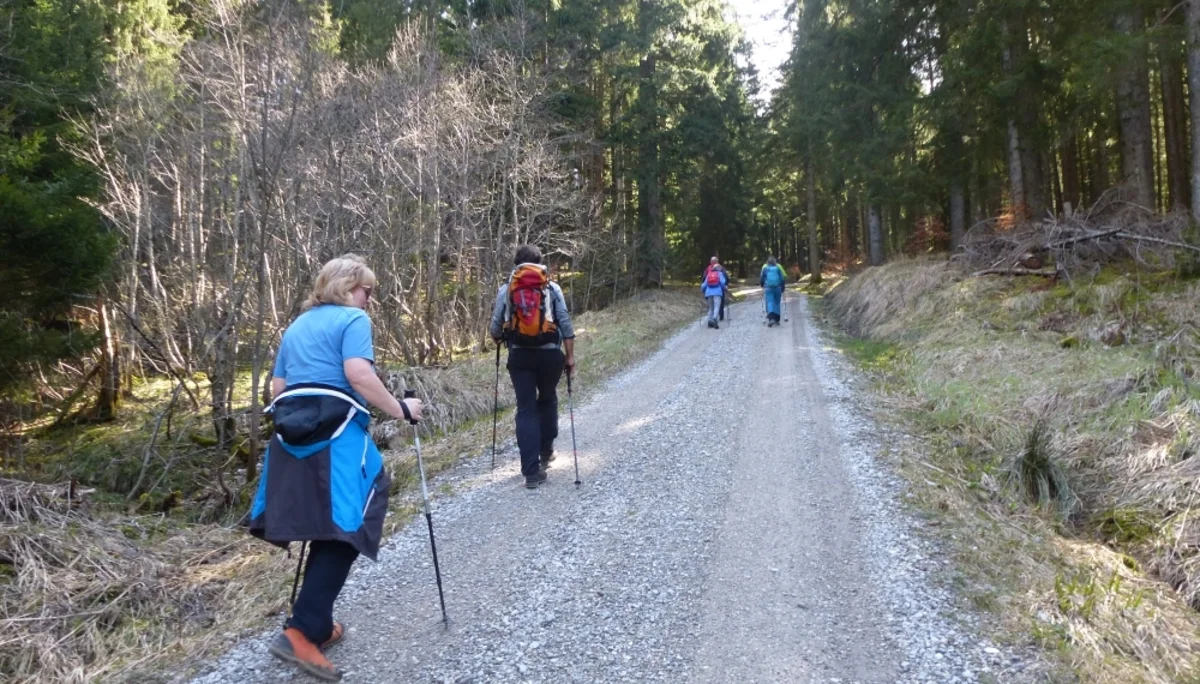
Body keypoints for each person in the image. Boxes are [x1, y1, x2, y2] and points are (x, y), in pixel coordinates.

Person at [250, 254, 424, 681]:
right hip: (339, 436)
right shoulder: (353, 321)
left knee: (325, 524)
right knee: (350, 524)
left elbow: (278, 387)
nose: (369, 299)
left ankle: (318, 624)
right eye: (367, 291)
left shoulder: (296, 326)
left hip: (291, 439)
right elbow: (358, 374)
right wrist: (401, 409)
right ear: (348, 289)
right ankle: (302, 633)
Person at [489, 245, 576, 489]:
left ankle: (530, 472)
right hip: (550, 356)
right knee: (547, 399)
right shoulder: (552, 288)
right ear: (540, 263)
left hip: (520, 357)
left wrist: (499, 338)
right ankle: (546, 452)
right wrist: (569, 357)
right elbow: (566, 324)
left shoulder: (507, 289)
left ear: (516, 264)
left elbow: (496, 327)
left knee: (525, 408)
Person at [760, 256, 787, 326]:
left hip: (768, 288)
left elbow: (761, 279)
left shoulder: (765, 269)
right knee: (777, 303)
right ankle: (777, 319)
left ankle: (771, 318)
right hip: (778, 288)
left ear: (767, 263)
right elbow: (782, 279)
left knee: (769, 302)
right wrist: (783, 287)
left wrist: (762, 285)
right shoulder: (778, 269)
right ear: (775, 262)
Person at [702, 259, 728, 329]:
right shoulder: (720, 274)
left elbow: (704, 285)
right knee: (717, 307)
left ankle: (709, 321)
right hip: (717, 293)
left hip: (708, 293)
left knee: (711, 308)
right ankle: (715, 318)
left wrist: (702, 290)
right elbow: (723, 283)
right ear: (718, 269)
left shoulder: (709, 274)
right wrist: (725, 289)